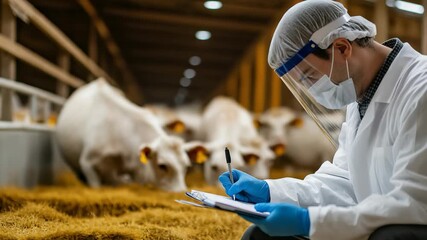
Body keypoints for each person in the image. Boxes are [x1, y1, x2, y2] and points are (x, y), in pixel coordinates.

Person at [219, 0, 427, 239]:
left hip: (409, 225)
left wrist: (308, 222)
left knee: (393, 236)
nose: (312, 89)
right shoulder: (361, 100)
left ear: (341, 48)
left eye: (310, 76)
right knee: (260, 235)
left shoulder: (420, 90)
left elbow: (414, 203)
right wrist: (271, 191)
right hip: (379, 221)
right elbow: (346, 184)